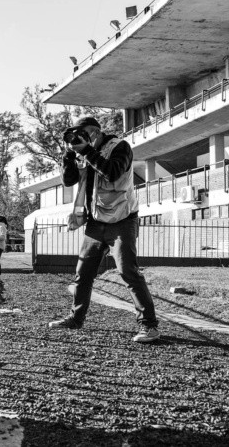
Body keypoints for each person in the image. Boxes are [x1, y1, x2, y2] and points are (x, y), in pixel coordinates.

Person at [47, 116, 160, 343]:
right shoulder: (85, 153)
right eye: (77, 134)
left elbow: (113, 172)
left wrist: (87, 151)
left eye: (85, 133)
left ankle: (150, 326)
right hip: (95, 222)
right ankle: (75, 319)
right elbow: (69, 181)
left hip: (123, 219)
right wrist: (68, 157)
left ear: (96, 132)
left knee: (128, 271)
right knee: (83, 273)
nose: (81, 137)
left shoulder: (120, 147)